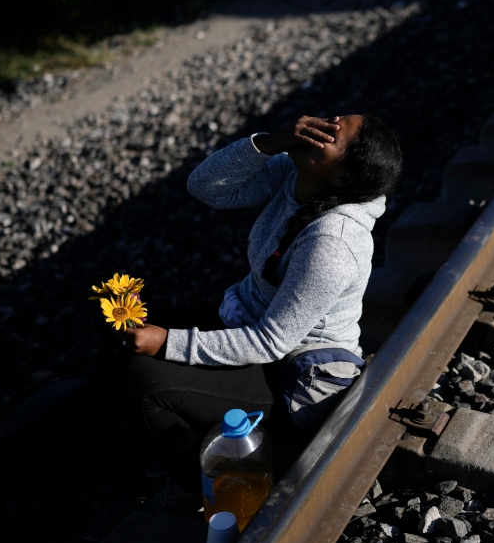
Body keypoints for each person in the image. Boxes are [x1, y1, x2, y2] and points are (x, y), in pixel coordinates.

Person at [101, 114, 402, 510]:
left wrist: (168, 343)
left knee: (138, 371)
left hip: (289, 378)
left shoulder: (333, 245)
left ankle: (199, 482)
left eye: (332, 134)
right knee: (125, 331)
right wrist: (266, 142)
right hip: (248, 322)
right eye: (331, 118)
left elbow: (271, 341)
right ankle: (156, 436)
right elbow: (206, 188)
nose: (320, 126)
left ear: (343, 179)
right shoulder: (297, 177)